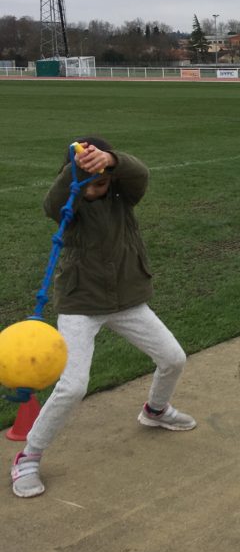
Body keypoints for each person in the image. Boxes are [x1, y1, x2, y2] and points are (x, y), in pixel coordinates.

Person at [10, 137, 195, 499]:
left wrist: (110, 159)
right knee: (73, 385)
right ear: (75, 179)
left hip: (127, 301)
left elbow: (139, 174)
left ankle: (155, 411)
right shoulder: (70, 205)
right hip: (81, 303)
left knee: (173, 358)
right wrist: (76, 170)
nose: (99, 187)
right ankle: (28, 455)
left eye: (104, 180)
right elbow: (52, 204)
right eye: (90, 182)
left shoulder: (123, 197)